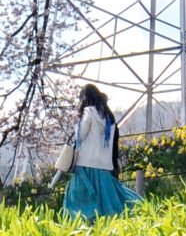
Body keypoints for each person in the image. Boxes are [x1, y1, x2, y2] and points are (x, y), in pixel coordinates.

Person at [56, 84, 140, 220]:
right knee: (107, 200)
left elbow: (80, 135)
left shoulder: (88, 112)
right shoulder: (109, 117)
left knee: (79, 199)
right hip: (103, 166)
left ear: (85, 98)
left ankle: (85, 226)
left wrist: (77, 124)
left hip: (86, 164)